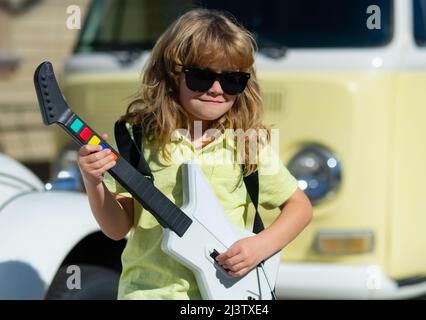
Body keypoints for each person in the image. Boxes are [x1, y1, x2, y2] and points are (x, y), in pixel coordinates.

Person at [77, 8, 313, 300]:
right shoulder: (136, 139)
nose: (216, 90)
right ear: (171, 75)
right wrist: (93, 181)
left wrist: (259, 247)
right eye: (201, 77)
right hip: (148, 293)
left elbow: (299, 207)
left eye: (232, 81)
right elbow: (116, 229)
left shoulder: (246, 143)